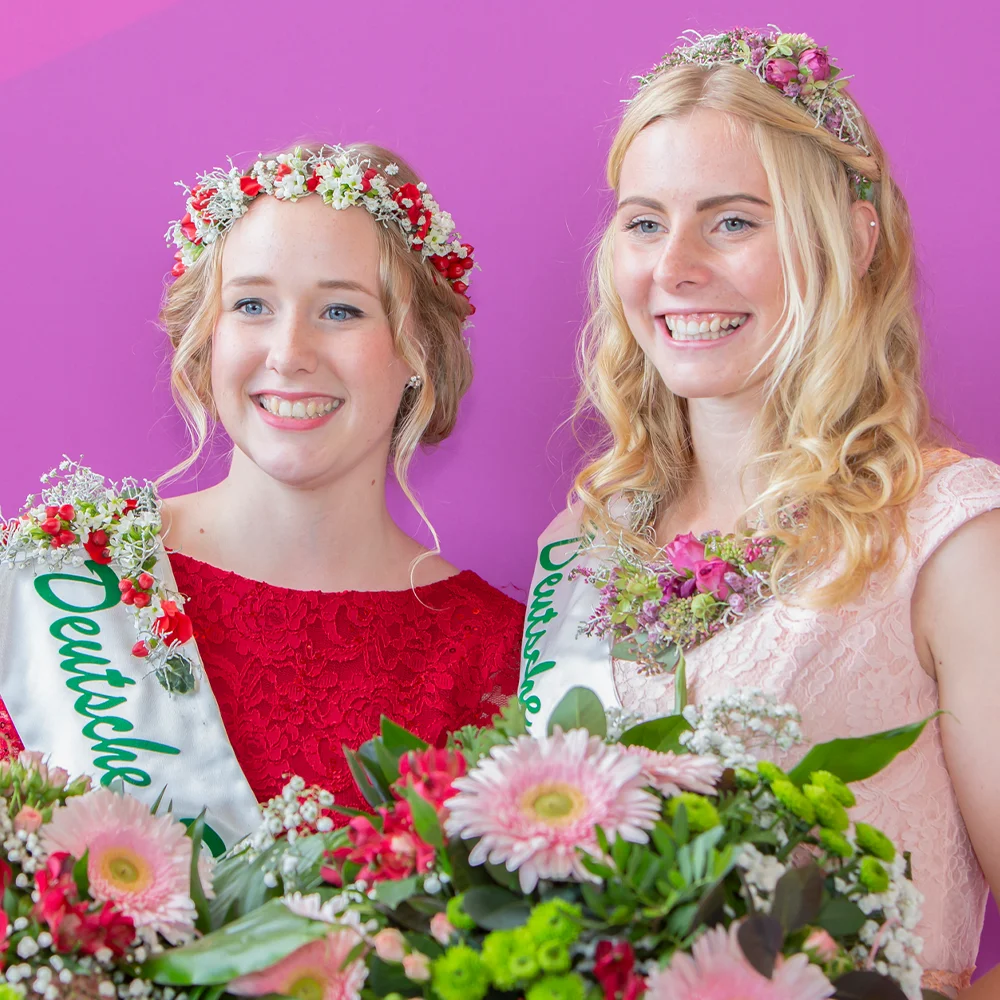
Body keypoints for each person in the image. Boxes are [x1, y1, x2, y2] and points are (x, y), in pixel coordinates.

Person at [520, 30, 1000, 997]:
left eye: (733, 221)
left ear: (853, 241)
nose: (676, 266)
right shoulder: (582, 544)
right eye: (644, 222)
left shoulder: (948, 536)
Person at [0, 143, 524, 846]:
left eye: (340, 311)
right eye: (251, 304)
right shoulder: (65, 579)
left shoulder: (494, 655)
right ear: (205, 338)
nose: (288, 351)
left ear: (416, 351)